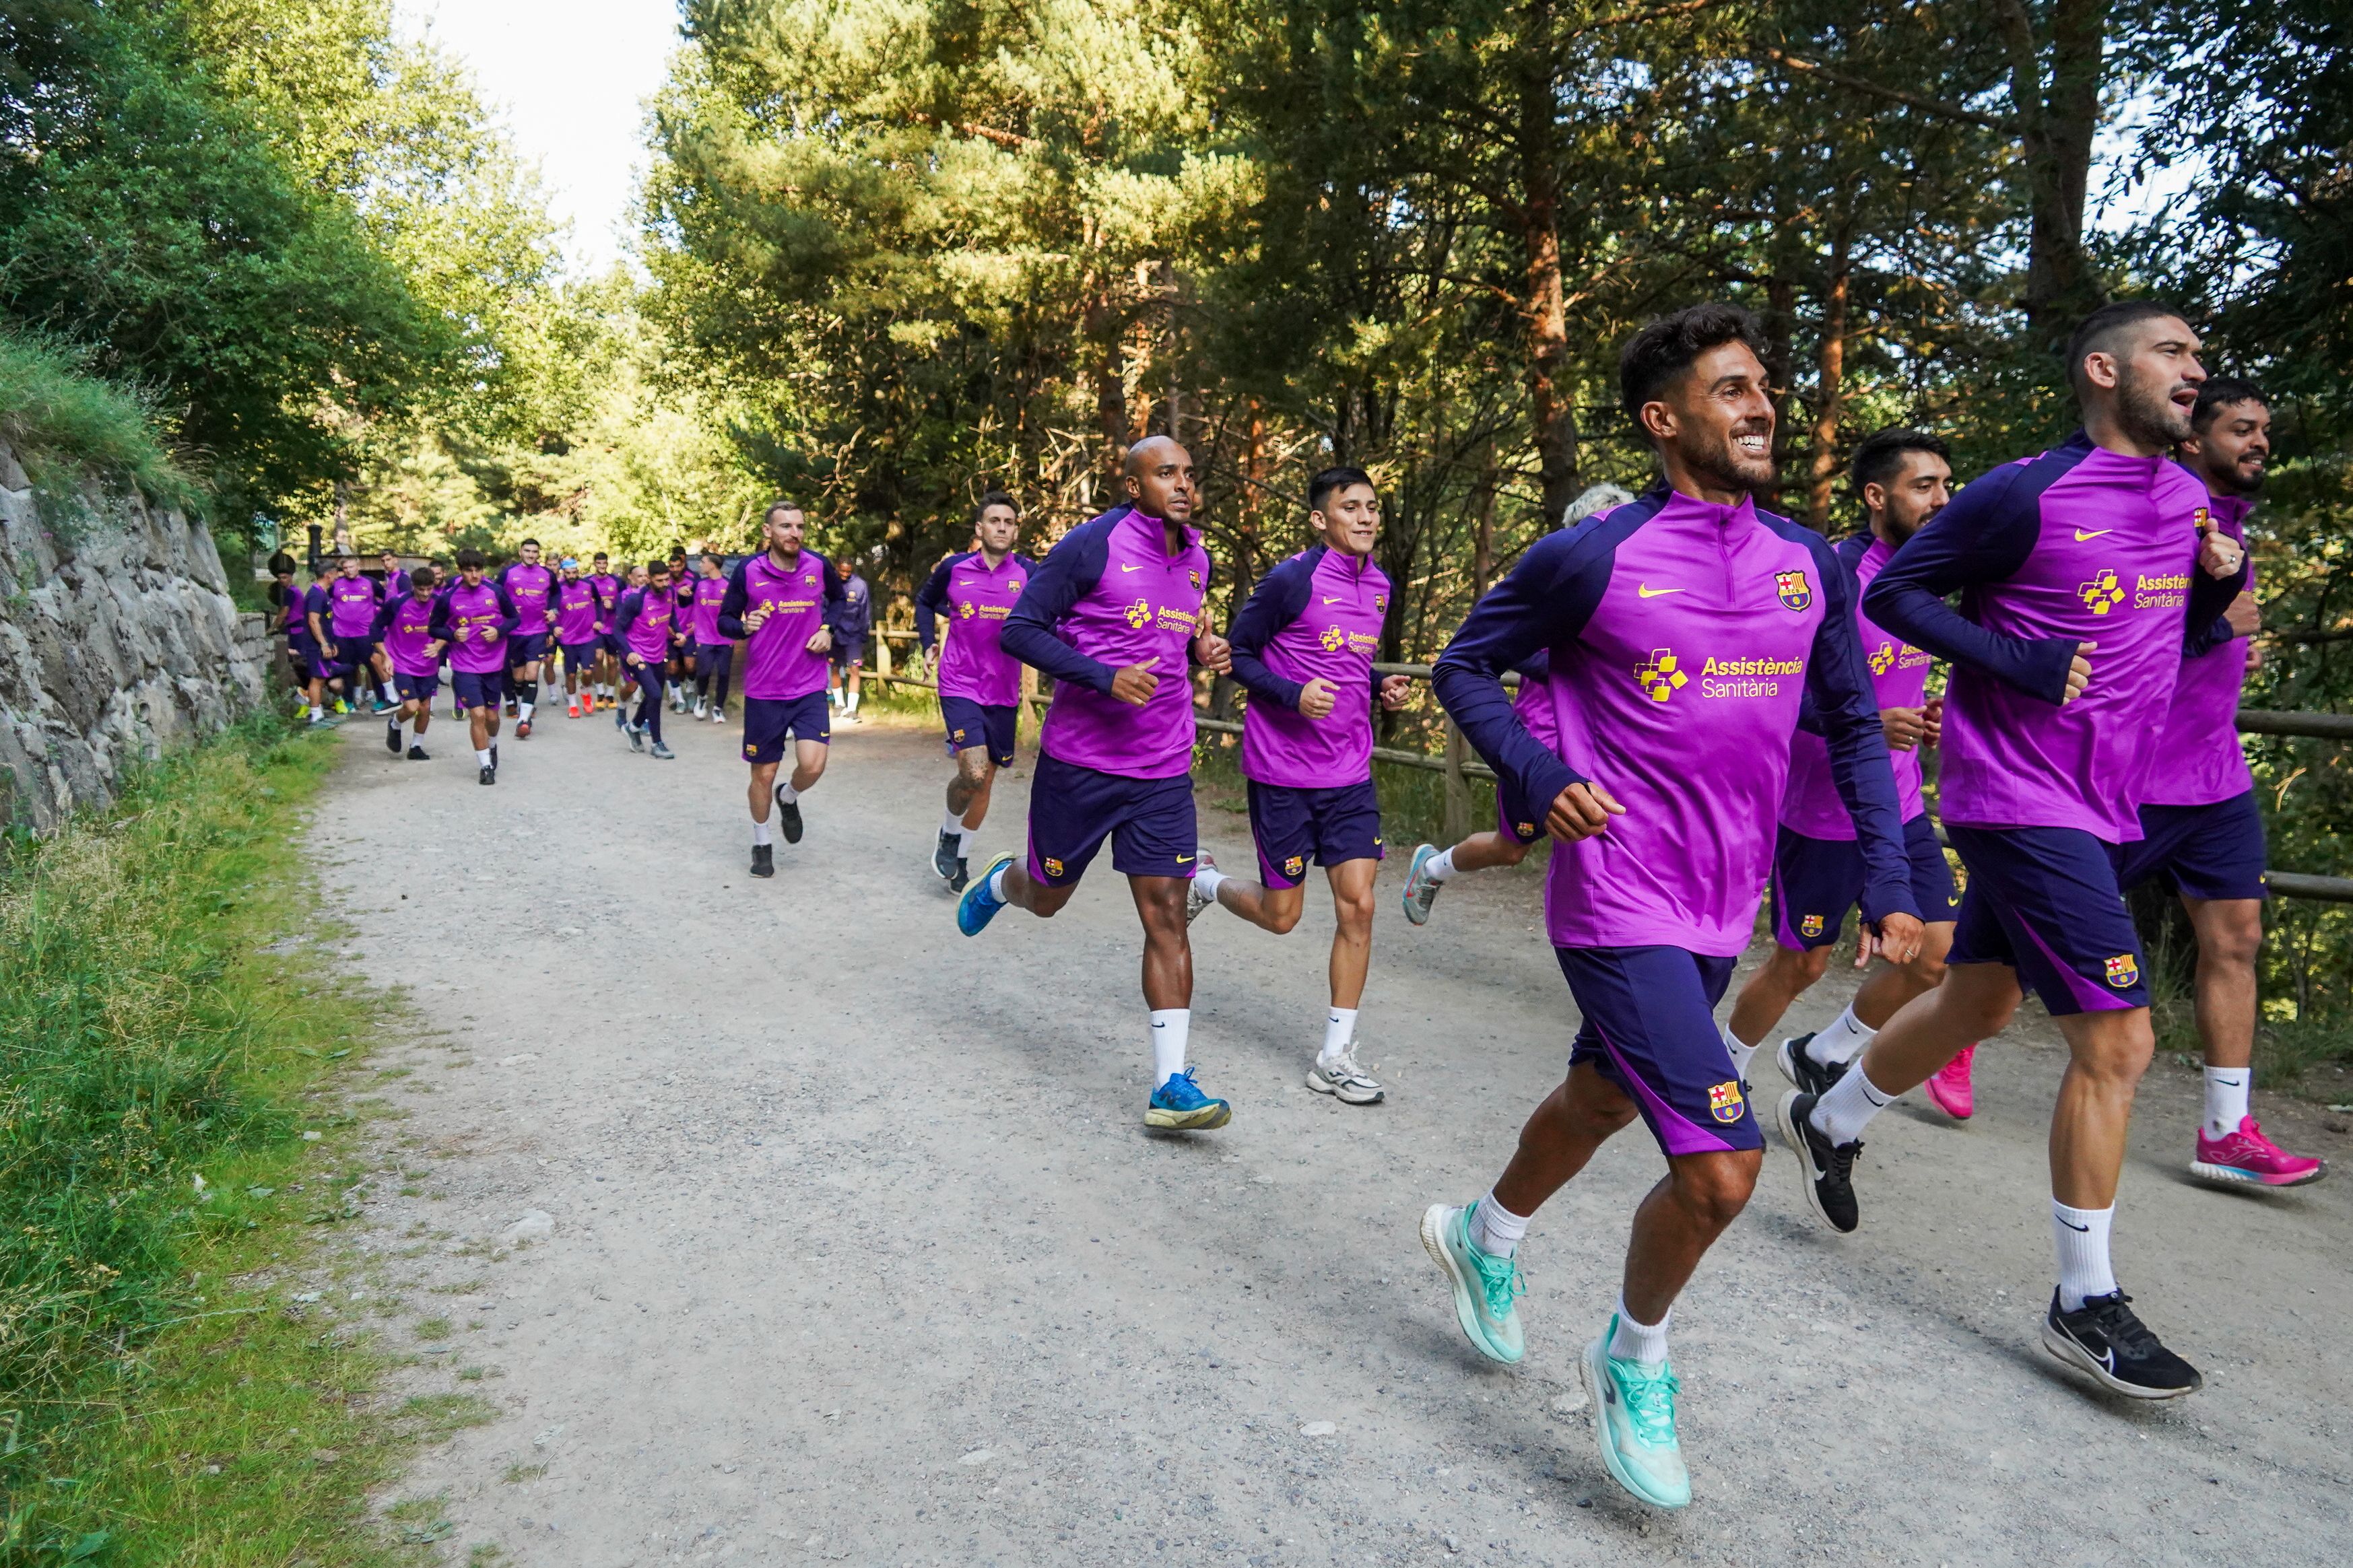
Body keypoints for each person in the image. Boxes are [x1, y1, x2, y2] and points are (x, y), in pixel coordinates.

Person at [1420, 304, 1920, 1510]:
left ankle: (1482, 1236)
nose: (1758, 408)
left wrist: (1890, 879)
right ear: (1664, 420)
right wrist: (1540, 777)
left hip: (1718, 900)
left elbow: (1850, 723)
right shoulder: (1591, 555)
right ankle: (1630, 1356)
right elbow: (1458, 666)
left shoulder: (1806, 562)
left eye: (1762, 389)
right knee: (1722, 1163)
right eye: (1730, 390)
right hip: (1614, 895)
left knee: (1599, 1094)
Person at [1778, 300, 2249, 1402]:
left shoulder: (2184, 495)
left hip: (2105, 797)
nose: (2192, 367)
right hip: (2015, 792)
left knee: (1978, 1000)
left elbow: (2167, 637)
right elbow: (1893, 591)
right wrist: (2014, 663)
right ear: (2101, 367)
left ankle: (1830, 1110)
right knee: (2118, 1041)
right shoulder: (2022, 491)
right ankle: (2081, 1300)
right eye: (2169, 351)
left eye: (2194, 353)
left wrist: (2217, 583)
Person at [955, 436, 1238, 1130]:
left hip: (1163, 766)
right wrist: (1101, 676)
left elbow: (1175, 635)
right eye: (1165, 473)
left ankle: (1170, 1083)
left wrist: (1204, 647)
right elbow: (1020, 631)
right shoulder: (1091, 545)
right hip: (1080, 763)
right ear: (1133, 483)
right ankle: (1002, 881)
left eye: (1188, 474)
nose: (1181, 485)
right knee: (1047, 896)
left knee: (1167, 913)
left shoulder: (1197, 558)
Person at [1723, 430, 1970, 1108]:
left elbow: (1899, 677)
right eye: (1923, 486)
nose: (1941, 500)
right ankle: (1725, 1064)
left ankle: (1820, 1052)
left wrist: (1926, 716)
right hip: (1818, 811)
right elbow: (1769, 683)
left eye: (1947, 484)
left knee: (1936, 955)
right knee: (1800, 963)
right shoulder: (1824, 576)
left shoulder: (1928, 581)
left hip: (1898, 805)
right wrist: (1853, 722)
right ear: (1874, 495)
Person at [2113, 378, 2320, 1186]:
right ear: (2191, 440)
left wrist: (2229, 647)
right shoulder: (2158, 518)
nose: (2259, 441)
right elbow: (2110, 637)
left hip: (2214, 778)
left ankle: (2225, 1132)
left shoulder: (2231, 527)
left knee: (2235, 940)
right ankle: (1917, 1051)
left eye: (2264, 428)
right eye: (2241, 428)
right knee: (2006, 963)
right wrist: (2209, 632)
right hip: (2131, 780)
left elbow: (2199, 639)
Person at [1192, 465, 1412, 1105]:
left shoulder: (1379, 587)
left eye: (1373, 506)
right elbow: (1241, 654)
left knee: (1360, 906)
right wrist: (1292, 694)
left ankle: (1335, 1055)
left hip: (1348, 772)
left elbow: (1347, 661)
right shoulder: (1292, 579)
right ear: (1321, 519)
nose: (1367, 517)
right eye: (1352, 507)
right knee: (1282, 915)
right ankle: (1204, 882)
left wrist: (1378, 686)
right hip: (1283, 771)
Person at [1399, 483, 1632, 922]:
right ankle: (1432, 868)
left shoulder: (1636, 593)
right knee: (1511, 848)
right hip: (1540, 743)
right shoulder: (1553, 585)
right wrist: (1569, 663)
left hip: (1608, 747)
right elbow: (1494, 648)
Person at [913, 492, 1034, 889]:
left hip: (1003, 690)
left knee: (985, 782)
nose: (1002, 527)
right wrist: (929, 640)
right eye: (994, 520)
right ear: (980, 529)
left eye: (1009, 522)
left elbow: (1055, 616)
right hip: (959, 683)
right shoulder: (954, 568)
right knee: (973, 770)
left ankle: (961, 856)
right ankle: (950, 831)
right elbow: (924, 601)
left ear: (1016, 529)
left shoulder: (1030, 574)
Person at [717, 502, 844, 875]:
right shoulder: (749, 570)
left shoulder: (818, 565)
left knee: (813, 765)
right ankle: (762, 844)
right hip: (765, 690)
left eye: (800, 527)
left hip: (808, 685)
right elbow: (725, 618)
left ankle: (789, 798)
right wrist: (743, 626)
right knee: (764, 774)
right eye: (786, 526)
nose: (795, 533)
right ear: (767, 532)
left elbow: (838, 601)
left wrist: (827, 630)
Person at [430, 548, 521, 785]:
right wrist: (451, 634)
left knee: (492, 717)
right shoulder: (448, 597)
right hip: (465, 664)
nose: (474, 575)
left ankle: (492, 746)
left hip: (493, 664)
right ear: (460, 572)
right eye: (469, 571)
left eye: (478, 570)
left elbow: (515, 619)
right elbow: (433, 628)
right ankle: (485, 767)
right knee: (477, 715)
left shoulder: (496, 592)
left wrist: (499, 631)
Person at [373, 564, 442, 759]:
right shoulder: (397, 603)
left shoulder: (439, 603)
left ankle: (416, 747)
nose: (426, 594)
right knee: (412, 707)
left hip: (428, 665)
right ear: (413, 586)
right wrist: (386, 656)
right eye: (421, 590)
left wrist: (438, 646)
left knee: (425, 708)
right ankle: (395, 723)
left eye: (429, 589)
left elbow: (449, 630)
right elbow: (375, 630)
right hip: (401, 662)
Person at [615, 561, 682, 760]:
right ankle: (657, 743)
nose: (664, 583)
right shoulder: (636, 600)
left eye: (666, 579)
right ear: (649, 579)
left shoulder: (670, 593)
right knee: (654, 694)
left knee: (654, 694)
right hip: (637, 655)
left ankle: (633, 727)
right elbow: (617, 630)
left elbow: (672, 617)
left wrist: (678, 632)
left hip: (658, 655)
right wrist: (629, 653)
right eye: (659, 580)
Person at [498, 538, 558, 736]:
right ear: (520, 552)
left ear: (538, 554)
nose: (531, 555)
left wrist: (554, 611)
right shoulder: (509, 573)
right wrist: (505, 611)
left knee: (532, 674)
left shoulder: (547, 574)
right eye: (527, 551)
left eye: (534, 552)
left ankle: (524, 720)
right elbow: (495, 594)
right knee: (519, 677)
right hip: (515, 632)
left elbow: (556, 594)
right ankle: (523, 700)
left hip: (537, 630)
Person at [315, 552, 383, 716]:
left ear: (358, 567)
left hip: (365, 634)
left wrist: (379, 621)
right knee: (347, 669)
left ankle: (382, 699)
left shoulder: (371, 583)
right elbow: (325, 603)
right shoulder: (336, 585)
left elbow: (386, 600)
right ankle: (348, 701)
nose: (348, 570)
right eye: (345, 568)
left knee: (373, 667)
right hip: (342, 635)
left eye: (351, 567)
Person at [554, 559, 602, 719]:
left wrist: (598, 620)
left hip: (587, 636)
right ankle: (573, 705)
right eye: (568, 573)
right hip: (568, 638)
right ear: (563, 573)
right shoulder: (558, 589)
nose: (572, 576)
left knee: (588, 671)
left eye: (574, 573)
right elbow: (550, 610)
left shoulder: (588, 585)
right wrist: (554, 626)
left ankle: (585, 691)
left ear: (578, 572)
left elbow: (600, 602)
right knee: (571, 674)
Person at [690, 552, 734, 722]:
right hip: (704, 638)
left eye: (703, 562)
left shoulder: (729, 586)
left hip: (725, 639)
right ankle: (701, 698)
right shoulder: (698, 585)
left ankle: (718, 708)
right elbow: (685, 602)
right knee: (704, 672)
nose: (700, 565)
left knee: (724, 673)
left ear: (713, 565)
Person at [827, 554, 872, 722]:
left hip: (853, 635)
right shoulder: (830, 583)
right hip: (834, 635)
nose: (845, 574)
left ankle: (852, 709)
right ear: (837, 568)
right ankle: (839, 704)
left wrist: (864, 633)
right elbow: (824, 607)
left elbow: (865, 611)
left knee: (854, 670)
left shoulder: (860, 586)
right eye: (842, 571)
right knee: (834, 668)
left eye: (848, 572)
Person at [588, 551, 624, 711]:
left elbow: (625, 601)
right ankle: (600, 693)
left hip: (612, 627)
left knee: (612, 661)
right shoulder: (588, 582)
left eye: (604, 563)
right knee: (598, 657)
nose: (602, 566)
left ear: (607, 564)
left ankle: (610, 694)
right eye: (599, 563)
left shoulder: (617, 582)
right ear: (594, 564)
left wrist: (614, 606)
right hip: (596, 628)